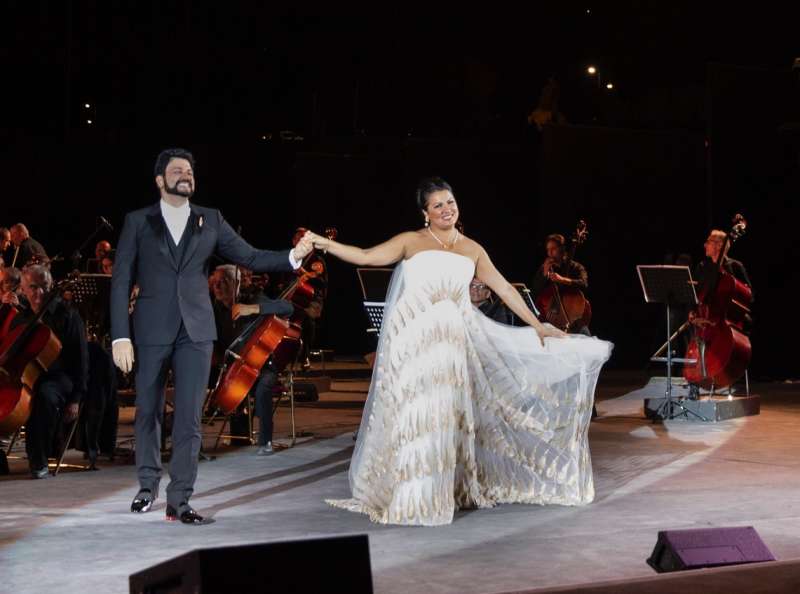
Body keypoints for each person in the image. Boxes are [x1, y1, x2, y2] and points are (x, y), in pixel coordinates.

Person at [310, 177, 612, 526]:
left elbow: (503, 287)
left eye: (450, 202)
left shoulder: (472, 248)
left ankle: (443, 490)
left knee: (444, 414)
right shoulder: (411, 241)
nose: (446, 209)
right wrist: (323, 244)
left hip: (451, 340)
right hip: (413, 339)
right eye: (437, 205)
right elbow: (365, 255)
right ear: (425, 213)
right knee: (418, 413)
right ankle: (414, 495)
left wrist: (538, 324)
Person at [110, 148, 313, 524]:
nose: (185, 174)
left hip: (197, 332)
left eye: (189, 170)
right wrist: (119, 336)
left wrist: (291, 257)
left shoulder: (211, 219)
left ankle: (180, 500)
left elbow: (250, 257)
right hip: (151, 328)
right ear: (160, 180)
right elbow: (121, 280)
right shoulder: (138, 221)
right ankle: (146, 485)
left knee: (188, 417)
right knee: (148, 411)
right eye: (177, 170)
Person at [13, 265, 88, 478]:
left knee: (42, 396)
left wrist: (76, 398)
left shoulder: (68, 316)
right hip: (27, 377)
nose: (39, 294)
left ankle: (38, 461)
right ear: (23, 289)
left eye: (44, 287)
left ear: (51, 285)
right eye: (33, 287)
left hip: (59, 379)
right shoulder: (21, 318)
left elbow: (81, 362)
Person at [210, 265, 293, 455]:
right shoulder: (215, 307)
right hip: (233, 366)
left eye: (223, 282)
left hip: (262, 364)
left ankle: (265, 441)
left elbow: (286, 307)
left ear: (236, 284)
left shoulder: (252, 298)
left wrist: (254, 308)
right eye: (215, 282)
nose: (217, 286)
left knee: (263, 388)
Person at [529, 233, 591, 336]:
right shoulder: (545, 268)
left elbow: (584, 284)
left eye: (553, 249)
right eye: (548, 250)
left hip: (573, 322)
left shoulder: (576, 267)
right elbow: (534, 292)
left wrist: (563, 280)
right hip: (549, 321)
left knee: (586, 339)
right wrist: (544, 274)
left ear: (562, 249)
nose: (550, 253)